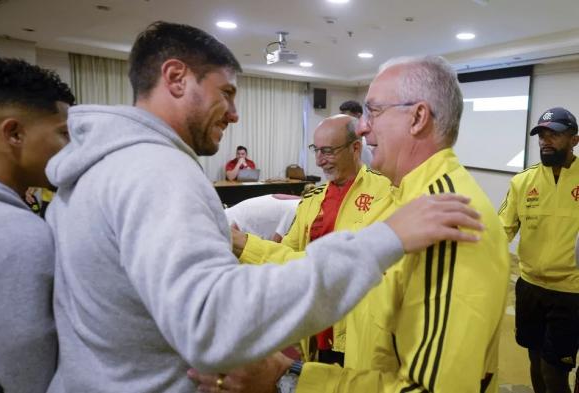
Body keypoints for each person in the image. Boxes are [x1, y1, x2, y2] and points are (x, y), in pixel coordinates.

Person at [45, 22, 484, 392]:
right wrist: (382, 242)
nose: (235, 113)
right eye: (227, 92)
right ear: (176, 78)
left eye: (373, 112)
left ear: (418, 116)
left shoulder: (99, 167)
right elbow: (214, 324)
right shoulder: (158, 171)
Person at [191, 55, 510, 393]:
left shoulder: (447, 218)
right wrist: (242, 243)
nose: (362, 126)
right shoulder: (404, 201)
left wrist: (293, 379)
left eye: (374, 111)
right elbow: (323, 268)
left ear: (417, 118)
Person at [232, 114, 391, 366]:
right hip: (317, 326)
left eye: (328, 151)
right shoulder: (312, 199)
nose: (319, 161)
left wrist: (244, 243)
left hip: (360, 330)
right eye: (316, 150)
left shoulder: (385, 193)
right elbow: (287, 255)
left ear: (356, 147)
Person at [0, 55, 75, 392]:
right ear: (14, 133)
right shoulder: (15, 234)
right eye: (64, 134)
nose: (72, 149)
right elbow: (28, 378)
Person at [499, 107, 579, 393]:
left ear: (574, 139)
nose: (546, 140)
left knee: (554, 370)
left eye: (555, 134)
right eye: (542, 135)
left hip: (570, 293)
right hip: (530, 287)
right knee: (534, 358)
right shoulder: (522, 182)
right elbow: (502, 229)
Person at [224, 193, 301, 241]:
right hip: (231, 225)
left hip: (232, 216)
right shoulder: (297, 208)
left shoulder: (300, 202)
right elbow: (276, 243)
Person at [339, 100, 373, 166]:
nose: (343, 120)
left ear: (358, 116)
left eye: (346, 116)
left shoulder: (369, 140)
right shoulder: (346, 140)